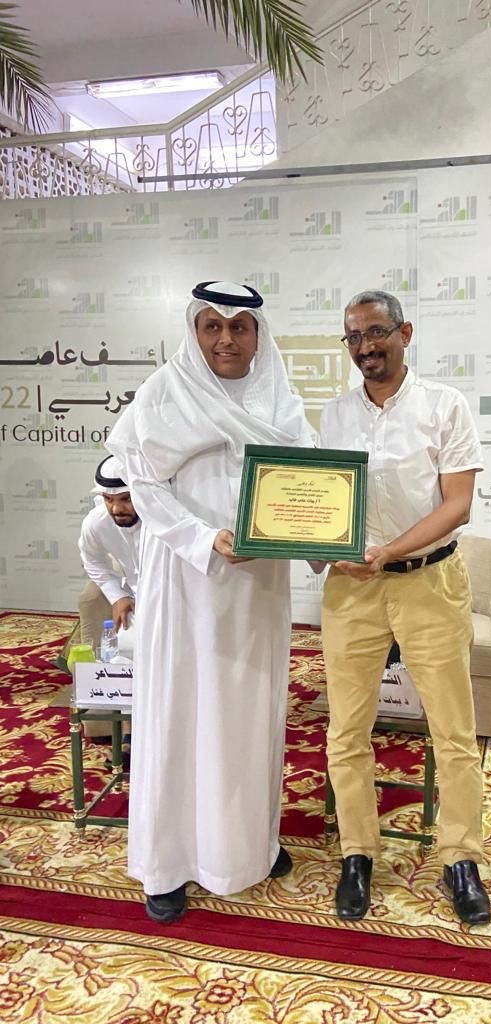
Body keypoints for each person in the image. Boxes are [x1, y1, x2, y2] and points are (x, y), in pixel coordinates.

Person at [106, 280, 314, 924]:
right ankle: (166, 865)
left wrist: (310, 538)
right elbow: (144, 487)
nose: (226, 339)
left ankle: (247, 847)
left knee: (248, 712)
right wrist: (204, 538)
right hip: (185, 580)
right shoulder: (162, 393)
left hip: (256, 588)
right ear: (194, 331)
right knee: (179, 712)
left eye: (239, 326)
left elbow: (311, 482)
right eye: (212, 326)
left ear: (257, 334)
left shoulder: (278, 396)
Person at [319, 289, 491, 925]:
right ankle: (357, 853)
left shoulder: (445, 405)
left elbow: (458, 505)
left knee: (453, 730)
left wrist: (390, 551)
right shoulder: (334, 415)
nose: (365, 347)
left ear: (404, 333)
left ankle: (460, 857)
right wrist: (318, 547)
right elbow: (322, 502)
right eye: (354, 337)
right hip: (352, 589)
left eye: (376, 333)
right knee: (346, 729)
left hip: (429, 581)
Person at [78, 454, 141, 636]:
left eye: (126, 499)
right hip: (135, 593)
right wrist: (118, 596)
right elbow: (92, 560)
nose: (116, 509)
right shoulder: (96, 522)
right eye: (108, 499)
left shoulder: (164, 521)